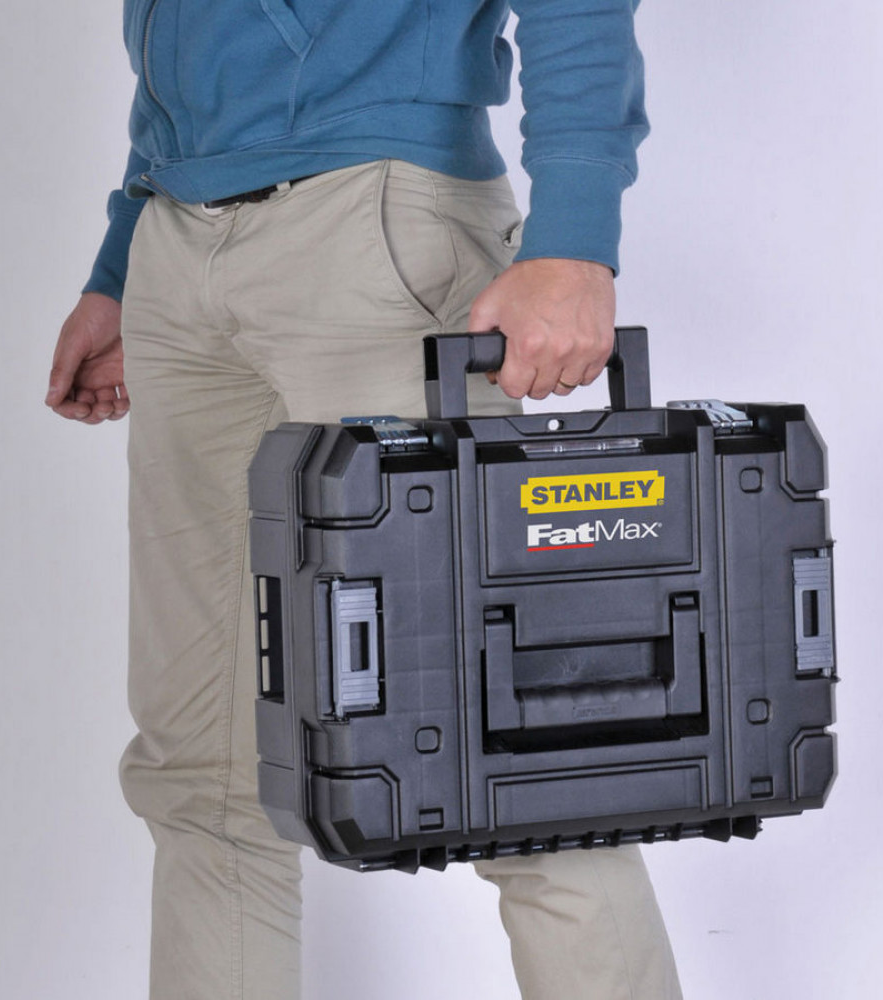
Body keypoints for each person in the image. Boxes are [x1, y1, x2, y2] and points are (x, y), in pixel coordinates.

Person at [46, 1, 682, 997]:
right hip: (176, 240)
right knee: (203, 775)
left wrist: (574, 235)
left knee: (512, 762)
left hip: (380, 221)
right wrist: (121, 264)